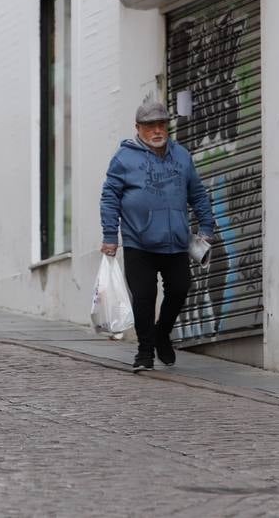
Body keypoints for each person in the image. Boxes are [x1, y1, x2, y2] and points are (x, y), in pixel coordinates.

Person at [100, 97, 214, 372]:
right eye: (150, 126)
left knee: (179, 289)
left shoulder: (182, 156)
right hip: (139, 242)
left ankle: (162, 332)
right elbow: (110, 197)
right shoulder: (124, 158)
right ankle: (144, 352)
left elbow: (197, 193)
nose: (157, 131)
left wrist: (206, 228)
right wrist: (109, 235)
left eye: (161, 124)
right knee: (144, 295)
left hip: (175, 241)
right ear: (138, 128)